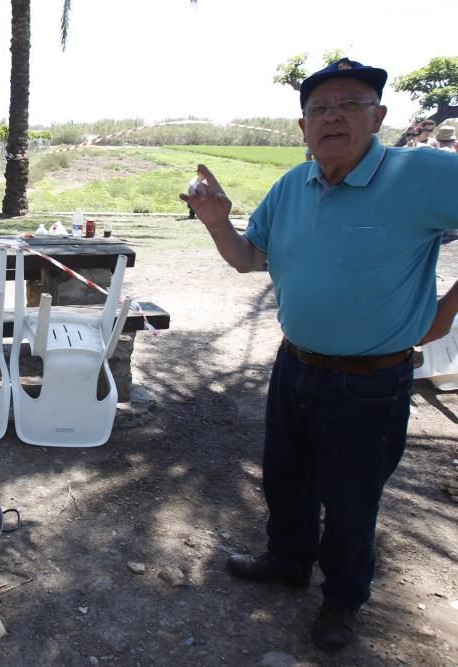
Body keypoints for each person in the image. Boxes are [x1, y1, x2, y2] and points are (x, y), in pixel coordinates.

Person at [180, 58, 458, 652]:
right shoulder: (290, 187)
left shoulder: (425, 174)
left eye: (349, 104)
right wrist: (216, 222)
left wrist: (448, 310)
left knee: (352, 499)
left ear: (378, 117)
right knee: (286, 479)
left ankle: (342, 599)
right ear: (302, 125)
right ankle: (287, 562)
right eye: (318, 108)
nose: (332, 116)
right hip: (295, 364)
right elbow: (248, 259)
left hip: (371, 380)